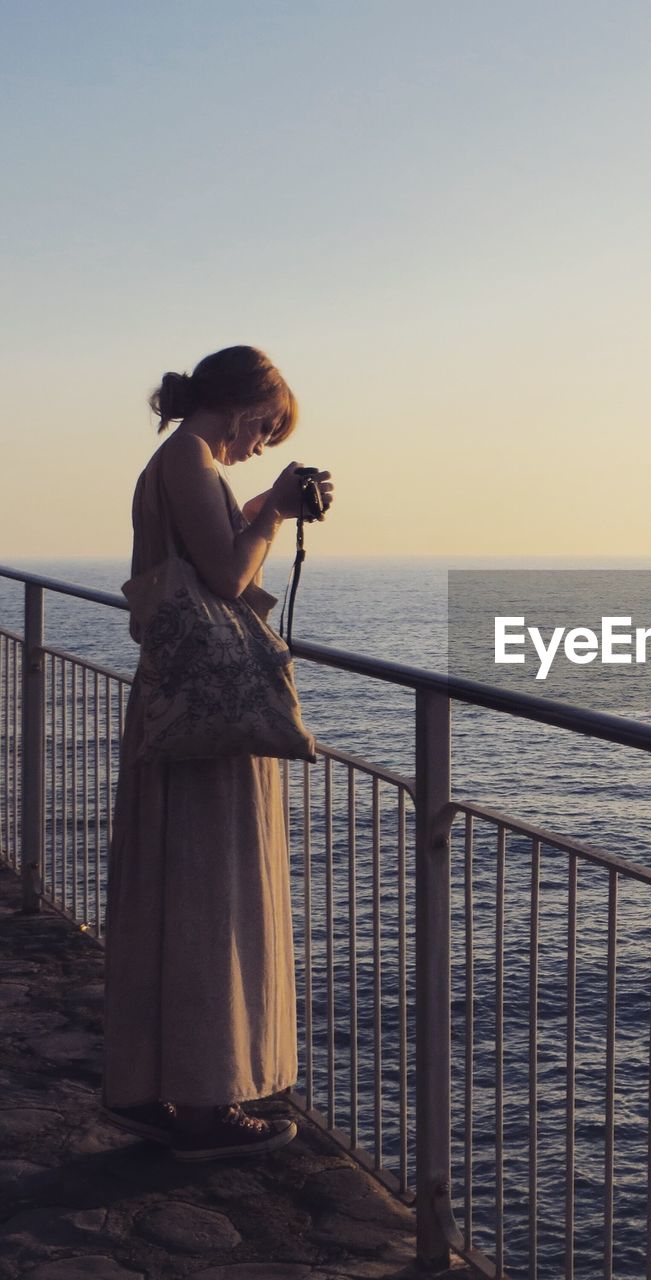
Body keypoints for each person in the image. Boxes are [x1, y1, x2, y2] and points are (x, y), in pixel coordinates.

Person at [100, 345, 334, 1160]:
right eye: (266, 428)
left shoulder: (179, 461)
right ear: (243, 406)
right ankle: (205, 1104)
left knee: (175, 893)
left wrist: (262, 504)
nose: (263, 445)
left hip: (177, 705)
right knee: (208, 900)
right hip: (202, 722)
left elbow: (204, 562)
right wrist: (272, 511)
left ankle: (156, 1079)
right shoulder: (190, 459)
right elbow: (231, 578)